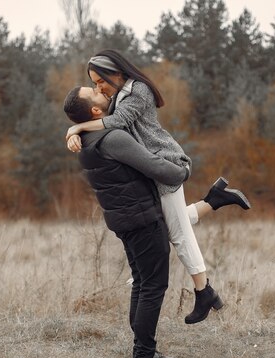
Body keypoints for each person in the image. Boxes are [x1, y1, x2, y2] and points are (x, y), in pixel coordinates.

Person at [65, 49, 251, 325]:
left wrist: (75, 129)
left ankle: (204, 291)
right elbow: (105, 121)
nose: (98, 87)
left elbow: (117, 122)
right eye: (94, 84)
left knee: (177, 233)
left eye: (99, 81)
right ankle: (214, 200)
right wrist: (77, 129)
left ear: (114, 73)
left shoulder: (139, 90)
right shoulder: (118, 94)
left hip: (166, 163)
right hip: (152, 168)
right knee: (167, 224)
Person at [63, 85, 185, 358]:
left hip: (125, 220)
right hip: (142, 218)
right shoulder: (113, 138)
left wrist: (74, 129)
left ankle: (145, 351)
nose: (99, 89)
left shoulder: (88, 141)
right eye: (93, 92)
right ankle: (144, 357)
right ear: (94, 111)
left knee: (143, 283)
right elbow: (155, 165)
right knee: (153, 285)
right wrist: (182, 172)